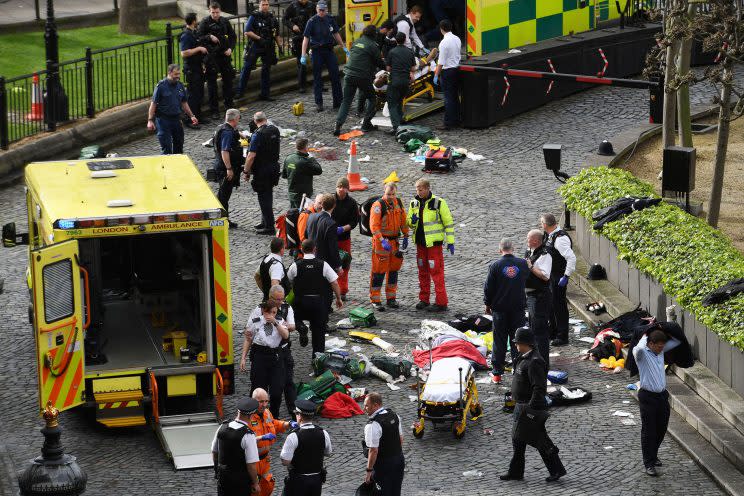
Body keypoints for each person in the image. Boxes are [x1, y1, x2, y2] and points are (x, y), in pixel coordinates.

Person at [500, 327, 566, 483]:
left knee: (540, 441)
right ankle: (516, 472)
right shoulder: (525, 358)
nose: (516, 345)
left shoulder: (534, 362)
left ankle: (556, 469)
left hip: (529, 408)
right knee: (518, 440)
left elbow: (539, 388)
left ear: (525, 343)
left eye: (518, 343)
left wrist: (531, 409)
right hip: (521, 406)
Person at [633, 329, 680, 476]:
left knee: (661, 428)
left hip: (662, 396)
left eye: (662, 346)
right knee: (649, 431)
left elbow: (677, 340)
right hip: (647, 396)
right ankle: (649, 463)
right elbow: (638, 348)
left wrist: (662, 326)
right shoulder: (642, 354)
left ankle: (654, 454)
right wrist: (647, 332)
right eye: (659, 346)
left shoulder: (659, 352)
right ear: (650, 344)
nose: (662, 350)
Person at [483, 238, 529, 384]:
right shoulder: (522, 264)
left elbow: (488, 288)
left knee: (499, 340)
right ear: (513, 248)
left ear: (500, 249)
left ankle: (497, 373)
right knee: (518, 339)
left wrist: (487, 304)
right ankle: (518, 369)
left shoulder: (495, 266)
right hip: (518, 308)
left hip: (500, 309)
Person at [287, 239, 343, 357]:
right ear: (314, 249)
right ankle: (317, 359)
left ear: (302, 249)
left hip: (300, 302)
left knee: (292, 317)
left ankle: (301, 327)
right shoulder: (323, 264)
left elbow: (288, 281)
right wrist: (338, 298)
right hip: (318, 303)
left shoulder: (295, 265)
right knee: (319, 334)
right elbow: (334, 283)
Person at [407, 178, 454, 313]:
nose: (418, 192)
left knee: (436, 273)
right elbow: (408, 222)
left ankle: (441, 302)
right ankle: (424, 299)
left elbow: (448, 223)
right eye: (417, 189)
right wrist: (412, 221)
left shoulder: (439, 203)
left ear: (427, 188)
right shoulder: (414, 203)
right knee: (422, 272)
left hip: (434, 245)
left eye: (421, 189)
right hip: (421, 244)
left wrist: (450, 241)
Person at [240, 301, 289, 418]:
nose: (270, 315)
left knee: (277, 391)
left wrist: (276, 323)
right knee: (258, 389)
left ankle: (274, 416)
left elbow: (286, 335)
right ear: (263, 311)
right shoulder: (256, 322)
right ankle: (256, 416)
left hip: (275, 357)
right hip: (260, 356)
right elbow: (248, 339)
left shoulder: (280, 321)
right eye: (268, 312)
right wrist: (243, 358)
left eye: (274, 312)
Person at [333, 24, 382, 136]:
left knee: (346, 101)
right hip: (362, 76)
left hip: (349, 74)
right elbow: (379, 62)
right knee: (372, 98)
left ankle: (338, 125)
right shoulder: (373, 46)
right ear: (374, 35)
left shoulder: (357, 42)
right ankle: (366, 124)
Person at [300, 2, 348, 112]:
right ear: (317, 9)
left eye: (324, 10)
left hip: (329, 50)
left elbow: (336, 33)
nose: (322, 12)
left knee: (335, 75)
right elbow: (306, 38)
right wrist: (303, 55)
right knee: (317, 78)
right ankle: (319, 103)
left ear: (326, 9)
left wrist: (343, 47)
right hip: (317, 51)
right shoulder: (311, 21)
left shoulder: (330, 19)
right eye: (320, 10)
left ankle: (338, 101)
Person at [280, 399, 333, 496]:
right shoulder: (323, 433)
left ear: (299, 416)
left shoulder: (293, 436)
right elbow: (328, 452)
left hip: (298, 480)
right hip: (317, 479)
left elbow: (285, 461)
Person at [369, 182, 408, 312]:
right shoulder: (378, 205)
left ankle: (391, 298)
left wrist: (406, 235)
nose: (391, 196)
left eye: (393, 194)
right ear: (384, 192)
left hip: (395, 243)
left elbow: (403, 221)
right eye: (388, 194)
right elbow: (374, 227)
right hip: (382, 243)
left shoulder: (399, 203)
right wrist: (381, 239)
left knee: (393, 272)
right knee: (378, 272)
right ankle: (375, 299)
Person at [250, 388, 297, 496]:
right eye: (261, 402)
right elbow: (243, 440)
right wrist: (261, 438)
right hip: (252, 462)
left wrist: (287, 424)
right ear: (253, 401)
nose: (264, 405)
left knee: (267, 486)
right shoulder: (248, 416)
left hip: (265, 460)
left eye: (266, 401)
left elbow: (274, 423)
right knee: (253, 489)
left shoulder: (266, 413)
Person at [211, 397, 261, 496]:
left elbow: (214, 451)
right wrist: (255, 483)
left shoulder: (222, 427)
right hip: (240, 482)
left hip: (223, 478)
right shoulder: (248, 435)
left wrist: (217, 470)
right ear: (251, 415)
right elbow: (251, 465)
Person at [540, 212, 576, 347]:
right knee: (551, 305)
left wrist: (566, 276)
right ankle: (553, 330)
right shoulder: (550, 235)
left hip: (558, 276)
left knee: (559, 306)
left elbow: (571, 258)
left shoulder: (560, 239)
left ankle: (562, 335)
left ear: (545, 224)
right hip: (550, 275)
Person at [146, 64, 198, 154]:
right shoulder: (161, 87)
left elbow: (184, 103)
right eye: (175, 74)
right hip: (163, 120)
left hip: (177, 120)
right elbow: (153, 104)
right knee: (167, 147)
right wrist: (150, 120)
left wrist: (192, 116)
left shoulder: (180, 86)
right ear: (169, 73)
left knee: (179, 145)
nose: (178, 77)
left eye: (179, 74)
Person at [197, 2, 237, 119]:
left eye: (217, 12)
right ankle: (214, 110)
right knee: (212, 84)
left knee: (228, 81)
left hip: (224, 55)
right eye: (213, 12)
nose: (215, 14)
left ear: (220, 11)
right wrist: (209, 37)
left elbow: (232, 36)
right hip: (212, 57)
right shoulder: (205, 22)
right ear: (209, 11)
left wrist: (231, 48)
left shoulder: (224, 21)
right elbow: (198, 37)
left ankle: (229, 105)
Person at [244, 112, 281, 235]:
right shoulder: (274, 130)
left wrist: (246, 171)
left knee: (263, 198)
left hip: (262, 170)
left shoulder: (257, 135)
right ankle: (264, 221)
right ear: (265, 119)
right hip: (274, 167)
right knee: (268, 194)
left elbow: (251, 156)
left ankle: (269, 226)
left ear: (255, 122)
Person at [237, 0, 282, 100]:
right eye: (263, 5)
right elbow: (247, 31)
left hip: (268, 46)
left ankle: (265, 94)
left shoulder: (272, 18)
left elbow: (276, 34)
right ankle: (240, 92)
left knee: (266, 70)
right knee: (247, 68)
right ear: (259, 5)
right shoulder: (254, 16)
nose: (265, 6)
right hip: (255, 45)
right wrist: (259, 39)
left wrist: (280, 46)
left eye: (266, 5)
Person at [362, 392, 405, 496]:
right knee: (395, 491)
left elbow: (373, 450)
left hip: (383, 464)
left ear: (376, 405)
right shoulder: (395, 415)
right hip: (398, 459)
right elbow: (400, 438)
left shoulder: (373, 425)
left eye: (366, 405)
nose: (364, 409)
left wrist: (368, 471)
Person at [524, 228, 552, 370]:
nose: (526, 240)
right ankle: (535, 360)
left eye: (528, 238)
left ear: (535, 240)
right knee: (533, 328)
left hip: (539, 297)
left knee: (539, 331)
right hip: (530, 296)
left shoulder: (545, 255)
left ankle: (542, 364)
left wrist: (530, 267)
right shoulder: (530, 251)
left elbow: (545, 276)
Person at [214, 108, 243, 228]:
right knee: (224, 195)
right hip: (225, 168)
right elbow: (224, 151)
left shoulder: (221, 128)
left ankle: (223, 218)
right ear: (235, 119)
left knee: (223, 193)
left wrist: (238, 133)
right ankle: (223, 220)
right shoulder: (227, 132)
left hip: (219, 165)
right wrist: (229, 169)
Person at [331, 177, 359, 300]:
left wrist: (343, 228)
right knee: (330, 263)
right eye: (339, 187)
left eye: (343, 187)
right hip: (331, 238)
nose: (341, 190)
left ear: (347, 189)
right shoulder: (331, 200)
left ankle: (342, 290)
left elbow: (354, 222)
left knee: (344, 264)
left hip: (344, 238)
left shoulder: (352, 203)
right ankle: (330, 288)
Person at [179, 12, 208, 128]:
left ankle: (198, 116)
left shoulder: (193, 33)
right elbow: (184, 53)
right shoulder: (186, 35)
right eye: (196, 20)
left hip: (197, 67)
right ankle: (189, 119)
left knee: (199, 93)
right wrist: (199, 48)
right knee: (192, 95)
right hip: (191, 69)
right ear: (193, 21)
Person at [385, 32, 417, 136]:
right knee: (399, 101)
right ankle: (401, 122)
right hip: (405, 82)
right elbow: (413, 68)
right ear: (405, 40)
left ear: (396, 40)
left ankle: (396, 127)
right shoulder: (410, 52)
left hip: (395, 81)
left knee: (392, 104)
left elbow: (388, 68)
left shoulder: (392, 52)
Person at [433, 19, 461, 131]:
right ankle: (457, 120)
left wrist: (436, 75)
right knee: (455, 96)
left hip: (447, 71)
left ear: (441, 29)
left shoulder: (444, 42)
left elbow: (441, 62)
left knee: (448, 98)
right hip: (456, 69)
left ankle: (448, 123)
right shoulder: (457, 39)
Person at [283, 0, 317, 93]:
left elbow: (317, 17)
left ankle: (318, 84)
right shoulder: (292, 6)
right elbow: (284, 19)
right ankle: (302, 85)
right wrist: (292, 25)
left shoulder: (312, 5)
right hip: (299, 37)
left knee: (317, 60)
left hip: (311, 36)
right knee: (301, 62)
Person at [305, 193, 343, 274]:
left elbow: (306, 236)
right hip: (324, 264)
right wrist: (338, 266)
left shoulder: (311, 217)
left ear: (322, 204)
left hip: (310, 259)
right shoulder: (331, 224)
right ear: (334, 206)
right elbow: (333, 247)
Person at [282, 138, 323, 209]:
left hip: (292, 193)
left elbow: (284, 175)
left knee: (293, 214)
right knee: (301, 215)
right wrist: (312, 158)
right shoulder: (305, 162)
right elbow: (319, 170)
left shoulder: (288, 158)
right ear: (306, 147)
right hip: (303, 195)